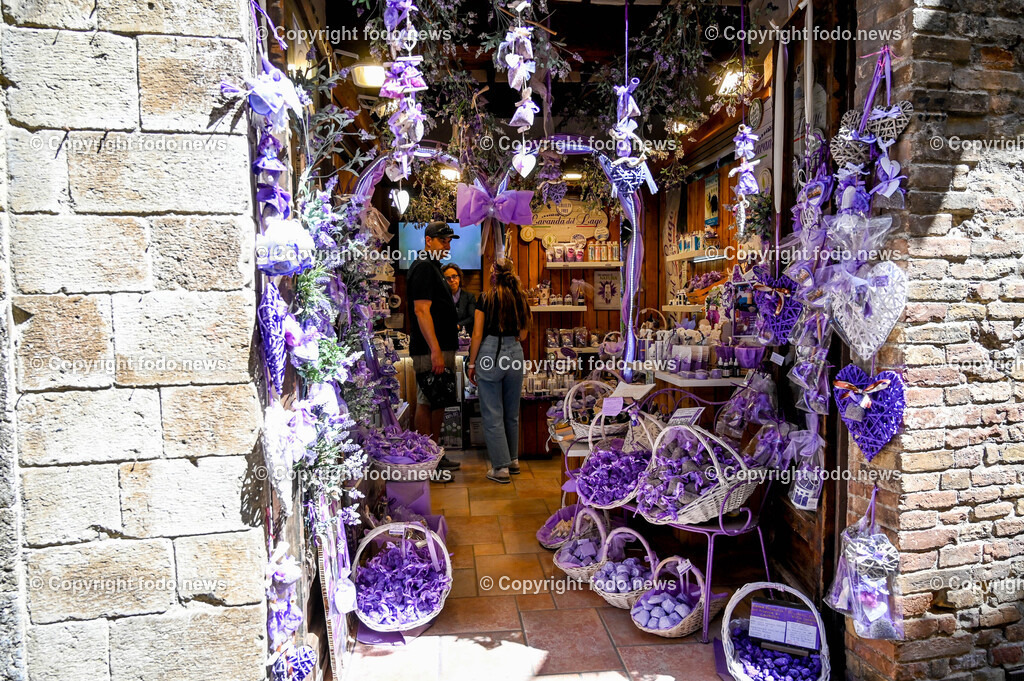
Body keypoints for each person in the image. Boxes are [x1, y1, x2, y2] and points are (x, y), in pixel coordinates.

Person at [466, 259, 531, 484]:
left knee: (492, 412)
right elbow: (523, 335)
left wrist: (472, 364)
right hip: (516, 353)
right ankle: (513, 460)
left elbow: (476, 334)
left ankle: (500, 468)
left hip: (490, 354)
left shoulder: (485, 298)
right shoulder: (521, 298)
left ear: (493, 273)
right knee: (511, 412)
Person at [407, 222, 461, 472]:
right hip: (431, 350)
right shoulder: (423, 267)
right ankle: (423, 457)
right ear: (428, 241)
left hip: (441, 347)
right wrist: (436, 350)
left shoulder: (434, 268)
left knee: (438, 400)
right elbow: (421, 310)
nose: (447, 245)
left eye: (449, 241)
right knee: (427, 400)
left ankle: (434, 454)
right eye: (442, 240)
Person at [443, 263, 476, 336]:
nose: (451, 280)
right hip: (445, 336)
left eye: (454, 276)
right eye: (447, 278)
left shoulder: (469, 297)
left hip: (464, 337)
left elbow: (472, 317)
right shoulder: (440, 298)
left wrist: (458, 326)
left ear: (459, 278)